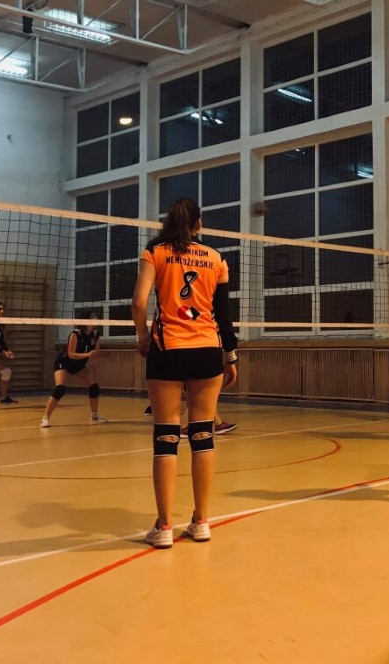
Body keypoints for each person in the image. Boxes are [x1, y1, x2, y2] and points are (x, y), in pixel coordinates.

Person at [132, 197, 238, 549]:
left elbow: (139, 301)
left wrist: (143, 336)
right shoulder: (216, 258)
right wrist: (230, 356)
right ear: (198, 223)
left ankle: (164, 526)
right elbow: (224, 314)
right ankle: (201, 521)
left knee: (166, 436)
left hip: (168, 350)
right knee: (203, 435)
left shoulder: (155, 252)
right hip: (207, 350)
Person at [40, 312, 107, 428]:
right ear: (85, 320)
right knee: (60, 389)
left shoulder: (96, 335)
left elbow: (95, 352)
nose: (96, 318)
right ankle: (45, 418)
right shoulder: (75, 334)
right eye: (93, 317)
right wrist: (88, 354)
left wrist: (101, 355)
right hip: (64, 362)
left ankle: (94, 416)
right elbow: (71, 354)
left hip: (78, 365)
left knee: (94, 388)